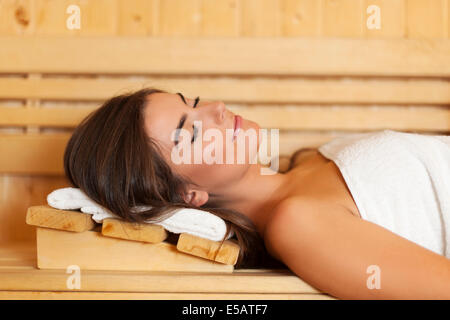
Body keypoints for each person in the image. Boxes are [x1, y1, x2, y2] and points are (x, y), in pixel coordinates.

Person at [64, 87, 450, 299]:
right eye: (192, 133)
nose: (215, 109)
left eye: (193, 103)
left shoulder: (309, 163)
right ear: (189, 195)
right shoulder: (297, 225)